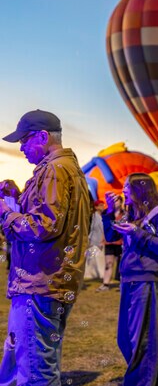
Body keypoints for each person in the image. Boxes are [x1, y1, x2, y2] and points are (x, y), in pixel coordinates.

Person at [0, 109, 91, 385]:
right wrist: (18, 198)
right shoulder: (66, 169)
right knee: (23, 357)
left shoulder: (54, 170)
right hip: (45, 282)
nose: (22, 148)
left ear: (42, 136)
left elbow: (43, 226)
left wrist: (6, 212)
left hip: (40, 282)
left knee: (36, 368)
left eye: (25, 140)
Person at [104, 173, 158, 386]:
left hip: (147, 279)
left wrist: (137, 233)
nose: (124, 190)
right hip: (129, 278)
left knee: (142, 339)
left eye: (128, 186)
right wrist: (110, 213)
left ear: (140, 189)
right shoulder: (133, 213)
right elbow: (110, 238)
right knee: (126, 339)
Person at [98, 194, 125, 291]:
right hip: (109, 242)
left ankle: (122, 284)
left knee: (122, 265)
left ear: (121, 202)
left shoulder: (125, 213)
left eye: (117, 200)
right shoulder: (107, 213)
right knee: (108, 264)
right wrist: (102, 239)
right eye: (113, 200)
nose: (115, 202)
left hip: (121, 242)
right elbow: (105, 227)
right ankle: (105, 284)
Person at [84, 200, 106, 280]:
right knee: (91, 259)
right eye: (100, 205)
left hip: (100, 239)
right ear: (96, 207)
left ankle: (100, 274)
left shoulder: (102, 216)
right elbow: (92, 228)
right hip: (94, 239)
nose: (102, 207)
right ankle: (90, 274)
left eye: (103, 205)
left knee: (99, 258)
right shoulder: (94, 216)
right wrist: (89, 239)